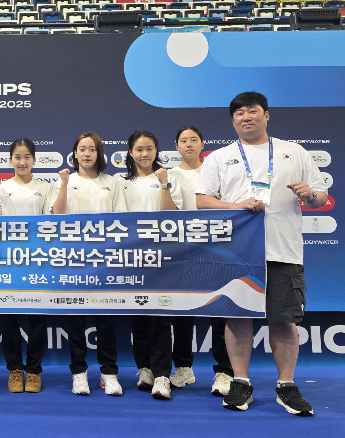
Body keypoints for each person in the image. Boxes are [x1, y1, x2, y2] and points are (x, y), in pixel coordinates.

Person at [195, 91, 326, 416]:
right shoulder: (219, 157)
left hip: (283, 250)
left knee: (283, 320)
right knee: (238, 318)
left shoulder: (294, 152)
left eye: (252, 111)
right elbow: (202, 200)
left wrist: (310, 195)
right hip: (236, 253)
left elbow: (321, 197)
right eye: (239, 113)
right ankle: (240, 381)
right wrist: (237, 205)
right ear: (233, 121)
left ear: (266, 115)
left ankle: (286, 386)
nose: (246, 117)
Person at [50, 132, 127, 397]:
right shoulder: (65, 181)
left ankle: (109, 373)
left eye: (92, 149)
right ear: (74, 153)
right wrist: (63, 185)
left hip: (104, 260)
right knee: (76, 319)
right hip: (73, 260)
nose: (87, 154)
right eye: (82, 149)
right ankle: (79, 373)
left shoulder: (111, 182)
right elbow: (57, 215)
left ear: (99, 153)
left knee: (105, 320)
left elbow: (122, 220)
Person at [113, 130, 182, 400]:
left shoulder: (168, 177)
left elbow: (172, 215)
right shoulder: (120, 181)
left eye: (149, 148)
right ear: (130, 152)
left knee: (160, 316)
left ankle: (163, 374)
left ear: (156, 150)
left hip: (162, 256)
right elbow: (117, 219)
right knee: (139, 315)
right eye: (139, 149)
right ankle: (144, 369)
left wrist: (164, 184)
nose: (145, 154)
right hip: (132, 256)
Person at [168, 126, 234, 397]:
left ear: (203, 143)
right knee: (183, 310)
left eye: (194, 139)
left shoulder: (216, 170)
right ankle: (183, 367)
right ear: (176, 146)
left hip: (216, 247)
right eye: (183, 140)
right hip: (183, 250)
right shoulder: (169, 175)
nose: (189, 144)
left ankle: (224, 371)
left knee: (219, 308)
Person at [0, 138, 52, 393]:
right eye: (17, 157)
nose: (22, 162)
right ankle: (15, 369)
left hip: (37, 260)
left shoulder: (45, 187)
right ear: (10, 159)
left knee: (38, 319)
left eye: (27, 157)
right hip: (8, 261)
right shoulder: (2, 187)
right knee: (10, 318)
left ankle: (34, 371)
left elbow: (52, 222)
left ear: (34, 159)